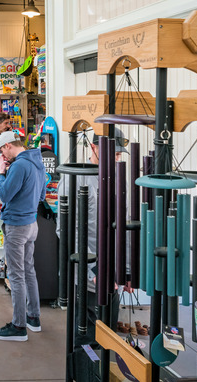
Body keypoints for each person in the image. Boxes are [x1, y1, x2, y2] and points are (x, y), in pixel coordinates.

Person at [55, 130, 127, 343]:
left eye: (119, 155)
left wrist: (128, 269)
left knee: (109, 335)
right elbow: (67, 230)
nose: (117, 158)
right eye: (113, 154)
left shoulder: (117, 177)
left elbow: (125, 222)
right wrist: (91, 268)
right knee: (86, 338)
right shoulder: (74, 179)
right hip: (87, 277)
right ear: (94, 147)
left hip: (113, 274)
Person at [0, 131, 45, 342]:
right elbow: (41, 195)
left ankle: (19, 326)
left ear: (7, 146)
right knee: (28, 270)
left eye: (2, 151)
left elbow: (4, 195)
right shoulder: (36, 161)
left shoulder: (19, 166)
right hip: (31, 223)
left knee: (16, 274)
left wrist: (2, 172)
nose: (3, 155)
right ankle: (33, 317)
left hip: (17, 225)